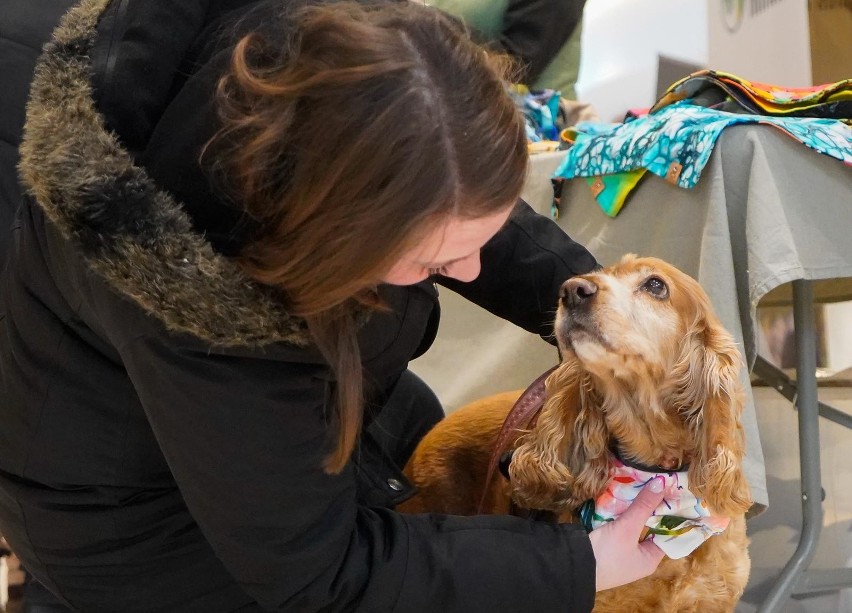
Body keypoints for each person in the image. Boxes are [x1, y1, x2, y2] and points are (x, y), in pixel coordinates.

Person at [0, 1, 666, 611]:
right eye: (435, 263)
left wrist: (602, 303)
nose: (467, 269)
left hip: (266, 417)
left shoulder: (354, 76)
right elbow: (320, 575)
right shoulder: (201, 307)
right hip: (129, 527)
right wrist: (578, 563)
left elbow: (460, 201)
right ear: (343, 233)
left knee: (429, 443)